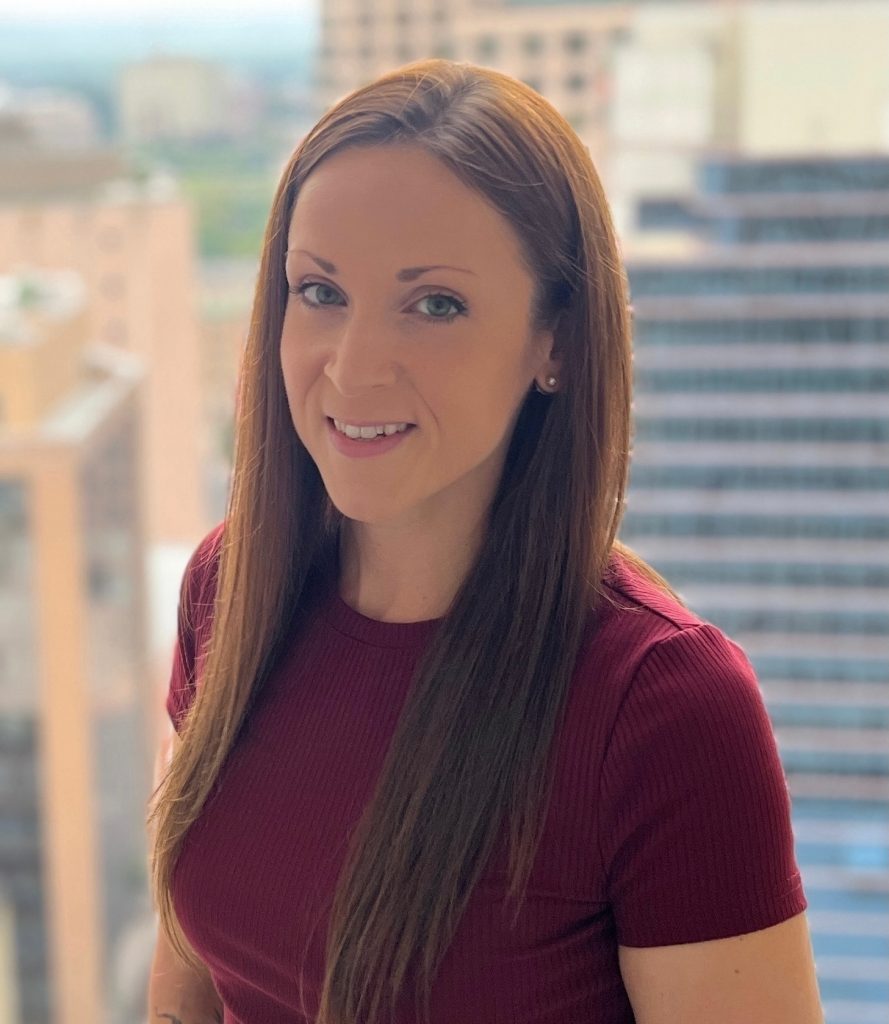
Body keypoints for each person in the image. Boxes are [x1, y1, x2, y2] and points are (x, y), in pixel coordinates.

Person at [146, 58, 824, 1024]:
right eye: (319, 291)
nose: (353, 368)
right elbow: (189, 993)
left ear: (554, 341)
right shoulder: (229, 586)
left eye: (435, 305)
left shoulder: (662, 711)